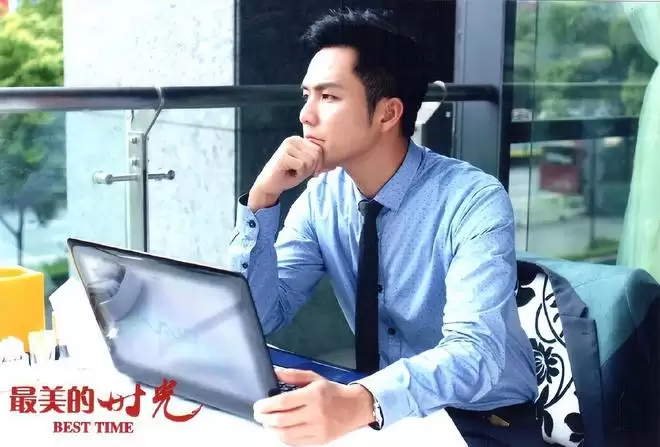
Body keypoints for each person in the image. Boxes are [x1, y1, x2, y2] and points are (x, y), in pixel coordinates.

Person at [228, 8, 540, 447]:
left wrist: (360, 401)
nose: (306, 115)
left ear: (388, 113)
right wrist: (262, 200)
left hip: (486, 418)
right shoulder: (323, 197)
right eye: (306, 95)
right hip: (383, 410)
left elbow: (476, 354)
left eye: (328, 97)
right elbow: (260, 315)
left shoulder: (473, 200)